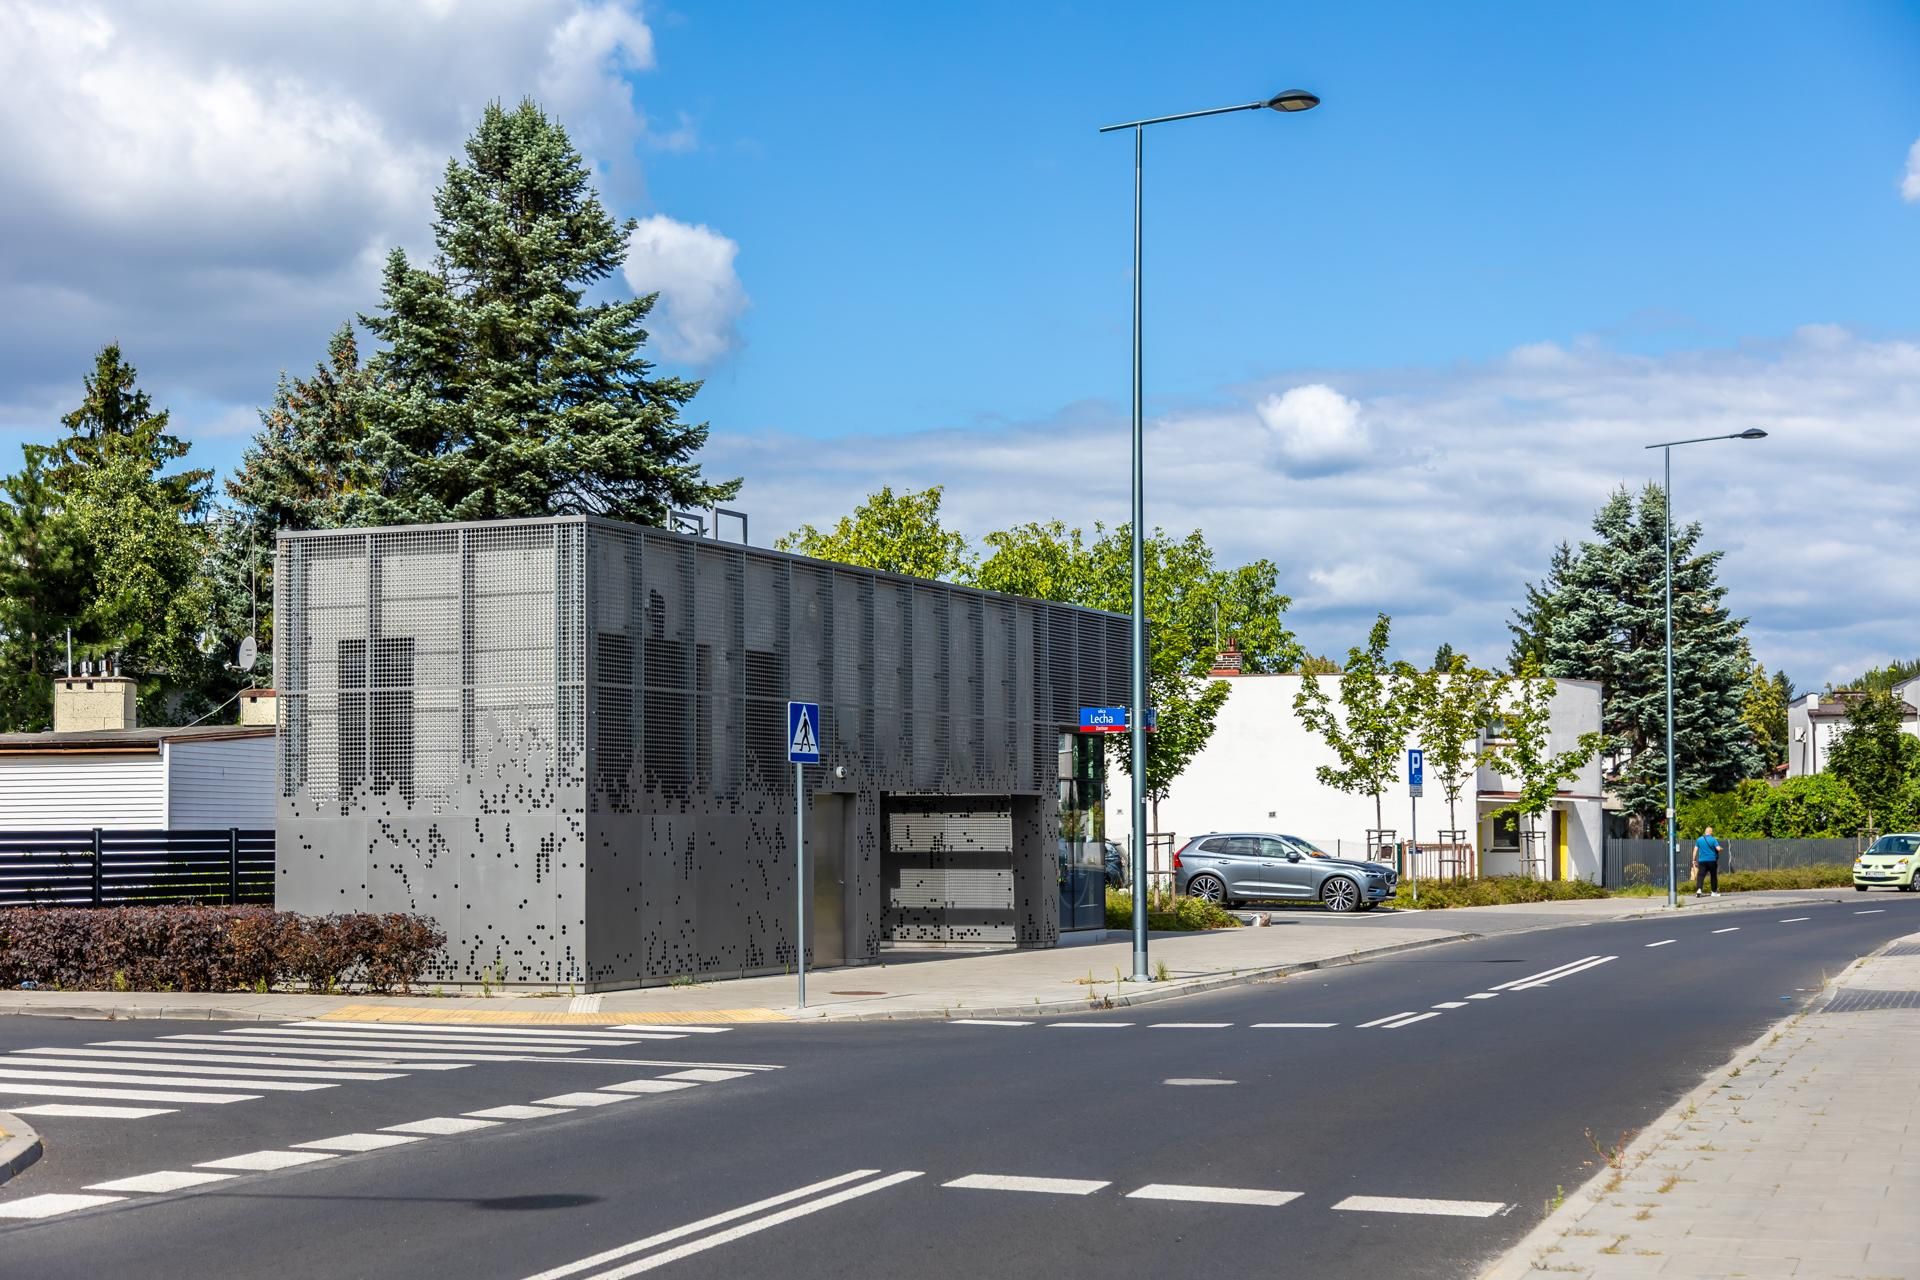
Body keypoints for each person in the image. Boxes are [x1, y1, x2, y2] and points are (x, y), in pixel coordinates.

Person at [1693, 826, 1722, 897]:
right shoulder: (1713, 839)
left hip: (1702, 861)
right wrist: (1721, 849)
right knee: (1713, 876)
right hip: (1712, 860)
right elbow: (1718, 849)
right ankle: (1713, 892)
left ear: (1705, 832)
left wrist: (1693, 860)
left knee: (1700, 876)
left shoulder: (1699, 840)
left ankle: (1699, 889)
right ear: (1711, 832)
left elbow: (1695, 850)